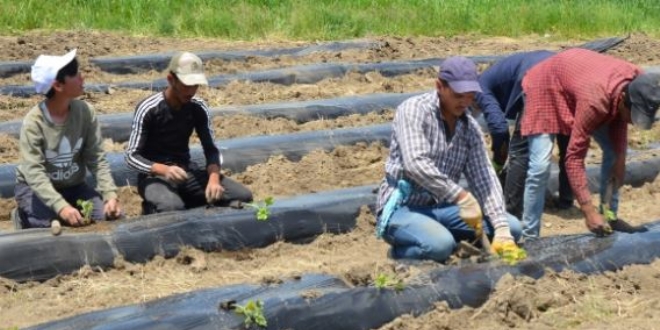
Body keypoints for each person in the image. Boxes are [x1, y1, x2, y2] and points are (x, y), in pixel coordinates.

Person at [375, 56, 523, 263]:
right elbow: (416, 164)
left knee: (513, 227)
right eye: (458, 95)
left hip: (442, 208)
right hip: (405, 207)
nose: (464, 102)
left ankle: (442, 237)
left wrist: (501, 228)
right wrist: (462, 197)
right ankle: (402, 253)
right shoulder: (414, 111)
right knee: (440, 246)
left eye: (470, 96)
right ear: (439, 86)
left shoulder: (469, 128)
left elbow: (484, 179)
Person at [520, 48, 659, 238]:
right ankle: (530, 235)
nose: (633, 122)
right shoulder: (595, 100)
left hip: (582, 82)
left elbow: (619, 122)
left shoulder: (639, 83)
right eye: (633, 116)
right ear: (623, 101)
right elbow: (573, 158)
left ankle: (609, 217)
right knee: (540, 166)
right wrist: (588, 209)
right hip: (546, 85)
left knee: (615, 156)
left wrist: (620, 157)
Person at [125, 51, 253, 214]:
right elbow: (131, 157)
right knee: (171, 208)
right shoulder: (149, 109)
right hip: (154, 178)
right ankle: (154, 207)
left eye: (196, 85)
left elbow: (211, 149)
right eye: (187, 85)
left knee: (243, 195)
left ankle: (187, 198)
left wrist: (214, 179)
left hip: (186, 173)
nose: (192, 91)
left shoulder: (198, 107)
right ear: (171, 80)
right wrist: (164, 170)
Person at [12, 49, 121, 231]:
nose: (82, 78)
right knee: (47, 226)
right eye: (75, 74)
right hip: (34, 189)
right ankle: (22, 216)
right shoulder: (34, 123)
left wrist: (110, 194)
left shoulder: (85, 112)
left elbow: (96, 158)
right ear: (58, 85)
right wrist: (61, 207)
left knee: (108, 217)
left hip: (73, 185)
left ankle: (60, 209)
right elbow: (34, 173)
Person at [475, 50, 573, 221]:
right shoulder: (493, 76)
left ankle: (511, 213)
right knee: (567, 142)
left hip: (539, 79)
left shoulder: (479, 88)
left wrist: (498, 160)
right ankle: (566, 199)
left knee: (520, 151)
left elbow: (499, 129)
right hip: (565, 73)